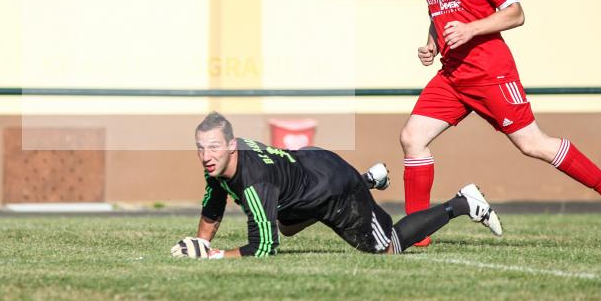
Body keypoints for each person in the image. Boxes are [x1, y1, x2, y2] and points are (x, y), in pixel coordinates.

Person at [399, 0, 601, 246]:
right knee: (412, 138)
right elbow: (440, 17)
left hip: (490, 73)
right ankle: (417, 231)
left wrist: (471, 29)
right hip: (452, 76)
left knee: (533, 144)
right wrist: (431, 43)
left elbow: (515, 13)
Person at [170, 112, 502, 259]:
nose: (205, 155)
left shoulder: (254, 183)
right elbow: (213, 204)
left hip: (333, 189)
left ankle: (462, 202)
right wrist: (200, 242)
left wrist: (212, 256)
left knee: (385, 249)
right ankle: (368, 179)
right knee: (286, 224)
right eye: (200, 147)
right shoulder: (224, 156)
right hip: (312, 165)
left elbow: (263, 248)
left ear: (231, 146)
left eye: (213, 147)